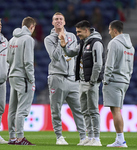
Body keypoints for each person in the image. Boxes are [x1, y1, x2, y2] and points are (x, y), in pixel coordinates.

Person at [60, 20, 105, 146]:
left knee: (93, 110)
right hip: (82, 81)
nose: (77, 34)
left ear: (86, 30)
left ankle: (96, 138)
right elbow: (70, 53)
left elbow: (98, 64)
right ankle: (89, 137)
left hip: (91, 82)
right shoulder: (83, 43)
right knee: (85, 110)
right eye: (76, 32)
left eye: (79, 32)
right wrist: (64, 46)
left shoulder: (96, 43)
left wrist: (93, 81)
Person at [44, 12, 87, 145]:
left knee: (79, 110)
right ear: (52, 22)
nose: (58, 21)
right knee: (56, 110)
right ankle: (59, 137)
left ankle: (83, 137)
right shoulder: (49, 39)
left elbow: (74, 54)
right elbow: (55, 56)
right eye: (56, 19)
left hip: (72, 78)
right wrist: (60, 41)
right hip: (57, 78)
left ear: (64, 22)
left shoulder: (72, 36)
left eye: (60, 19)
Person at [102, 20, 134, 147]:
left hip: (114, 80)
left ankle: (120, 140)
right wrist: (127, 78)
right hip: (124, 80)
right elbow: (131, 67)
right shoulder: (131, 46)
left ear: (115, 30)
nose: (109, 32)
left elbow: (109, 64)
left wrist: (105, 80)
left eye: (110, 30)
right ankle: (120, 139)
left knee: (115, 111)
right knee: (117, 110)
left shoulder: (114, 43)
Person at [7, 16, 36, 145]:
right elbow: (28, 62)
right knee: (21, 109)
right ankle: (20, 138)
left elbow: (7, 59)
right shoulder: (28, 39)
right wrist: (31, 79)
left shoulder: (12, 39)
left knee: (12, 108)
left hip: (12, 75)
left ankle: (12, 137)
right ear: (32, 27)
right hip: (23, 77)